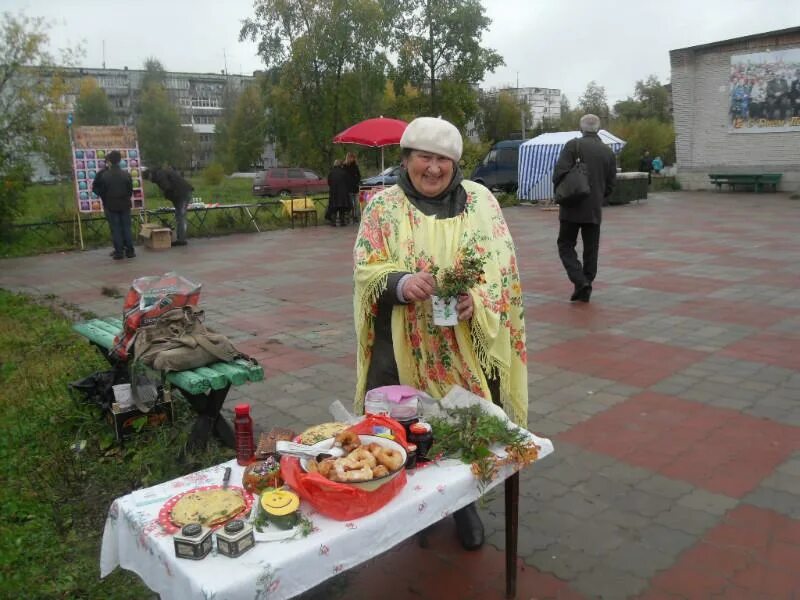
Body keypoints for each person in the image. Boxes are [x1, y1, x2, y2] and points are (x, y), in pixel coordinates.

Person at [353, 117, 528, 551]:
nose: (433, 169)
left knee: (461, 431)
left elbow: (502, 270)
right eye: (423, 158)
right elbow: (366, 267)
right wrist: (400, 282)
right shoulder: (382, 207)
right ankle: (418, 509)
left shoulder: (481, 203)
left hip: (466, 346)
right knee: (408, 431)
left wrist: (477, 301)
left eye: (443, 160)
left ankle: (464, 505)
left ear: (456, 164)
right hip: (399, 347)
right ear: (406, 159)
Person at [552, 114, 616, 303]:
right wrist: (598, 197)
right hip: (594, 208)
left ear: (581, 128)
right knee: (591, 250)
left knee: (565, 245)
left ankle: (580, 282)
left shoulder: (573, 146)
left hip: (571, 207)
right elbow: (611, 184)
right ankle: (585, 282)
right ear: (598, 128)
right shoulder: (607, 152)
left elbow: (558, 174)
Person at [92, 150, 135, 260]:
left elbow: (99, 190)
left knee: (115, 229)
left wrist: (105, 198)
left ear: (109, 161)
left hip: (110, 205)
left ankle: (119, 252)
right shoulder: (126, 174)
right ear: (120, 160)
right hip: (125, 205)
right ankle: (130, 251)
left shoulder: (104, 176)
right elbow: (130, 190)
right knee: (126, 228)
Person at [145, 167, 193, 246]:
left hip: (182, 194)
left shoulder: (160, 175)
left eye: (148, 178)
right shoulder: (161, 173)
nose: (149, 181)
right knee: (179, 216)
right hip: (182, 193)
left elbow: (167, 188)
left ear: (150, 174)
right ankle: (180, 238)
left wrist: (167, 197)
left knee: (180, 216)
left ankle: (181, 240)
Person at [326, 159, 352, 226]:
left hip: (333, 193)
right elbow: (348, 182)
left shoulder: (331, 173)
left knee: (334, 208)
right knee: (342, 208)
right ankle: (342, 222)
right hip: (343, 194)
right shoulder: (344, 172)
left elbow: (329, 183)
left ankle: (333, 222)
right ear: (340, 165)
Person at [343, 152, 361, 223]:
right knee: (350, 203)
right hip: (348, 188)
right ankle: (348, 216)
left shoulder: (355, 166)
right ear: (348, 157)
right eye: (351, 157)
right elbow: (344, 176)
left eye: (353, 157)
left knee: (356, 203)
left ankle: (355, 217)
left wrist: (357, 180)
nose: (352, 159)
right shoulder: (345, 166)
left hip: (355, 187)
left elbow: (359, 175)